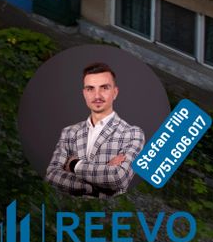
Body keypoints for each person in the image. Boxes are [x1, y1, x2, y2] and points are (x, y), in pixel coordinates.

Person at [44, 62, 145, 196]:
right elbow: (51, 175)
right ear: (84, 93)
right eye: (90, 89)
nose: (97, 96)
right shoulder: (69, 133)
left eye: (104, 88)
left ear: (115, 92)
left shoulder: (132, 134)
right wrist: (93, 188)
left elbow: (118, 178)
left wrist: (74, 165)